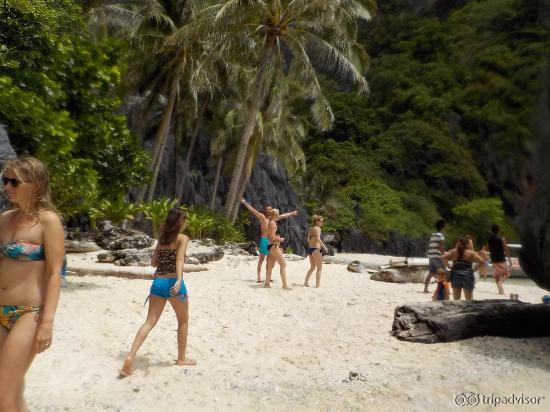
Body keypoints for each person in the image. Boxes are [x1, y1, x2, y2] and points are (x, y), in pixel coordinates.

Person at [0, 157, 65, 411]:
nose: (7, 186)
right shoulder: (4, 219)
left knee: (3, 392)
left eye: (14, 181)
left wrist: (47, 323)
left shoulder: (48, 222)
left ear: (35, 184)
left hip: (29, 314)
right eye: (5, 180)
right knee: (11, 394)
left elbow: (54, 274)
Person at [120, 208, 195, 377]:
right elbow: (179, 258)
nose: (186, 222)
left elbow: (154, 262)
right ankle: (181, 358)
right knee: (183, 321)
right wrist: (178, 279)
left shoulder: (162, 239)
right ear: (180, 222)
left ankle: (131, 355)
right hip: (173, 283)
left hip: (158, 283)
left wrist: (167, 258)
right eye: (185, 219)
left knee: (149, 322)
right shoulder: (183, 238)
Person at [239, 198, 297, 283]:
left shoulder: (273, 219)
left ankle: (268, 278)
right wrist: (244, 202)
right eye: (267, 209)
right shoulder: (262, 217)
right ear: (265, 210)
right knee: (261, 259)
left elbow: (283, 215)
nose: (269, 211)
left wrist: (292, 213)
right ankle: (259, 277)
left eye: (270, 209)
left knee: (269, 260)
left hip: (271, 241)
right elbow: (252, 210)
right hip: (264, 239)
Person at [440, 236, 485, 301]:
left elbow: (442, 257)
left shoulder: (453, 251)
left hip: (455, 276)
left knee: (456, 300)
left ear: (458, 243)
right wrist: (474, 269)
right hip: (468, 276)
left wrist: (448, 266)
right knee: (469, 300)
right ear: (467, 244)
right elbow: (482, 261)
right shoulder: (471, 253)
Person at [264, 209, 293, 289]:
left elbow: (283, 216)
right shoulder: (273, 224)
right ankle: (284, 285)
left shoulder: (271, 222)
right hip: (274, 246)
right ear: (275, 215)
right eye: (278, 214)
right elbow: (272, 236)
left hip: (271, 246)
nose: (279, 215)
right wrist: (280, 239)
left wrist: (291, 213)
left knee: (270, 266)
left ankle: (267, 284)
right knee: (283, 264)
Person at [304, 215, 328, 288]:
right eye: (321, 221)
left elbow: (308, 239)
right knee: (319, 268)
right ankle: (317, 285)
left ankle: (306, 283)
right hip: (316, 249)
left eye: (322, 221)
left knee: (312, 268)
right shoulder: (318, 229)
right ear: (316, 221)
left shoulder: (311, 229)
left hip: (311, 249)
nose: (322, 222)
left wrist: (312, 244)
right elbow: (318, 239)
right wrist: (325, 247)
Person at [487, 224, 512, 295]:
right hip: (501, 259)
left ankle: (500, 291)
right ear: (499, 230)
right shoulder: (502, 239)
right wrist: (510, 261)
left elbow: (489, 249)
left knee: (497, 276)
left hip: (494, 260)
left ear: (491, 231)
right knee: (506, 274)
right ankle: (501, 284)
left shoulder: (489, 240)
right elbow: (506, 250)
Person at [423, 219, 446, 293]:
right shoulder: (440, 236)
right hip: (437, 256)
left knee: (431, 273)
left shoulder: (433, 235)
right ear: (443, 227)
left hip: (431, 256)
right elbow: (441, 247)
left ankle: (425, 289)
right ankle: (442, 290)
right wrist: (444, 255)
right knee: (442, 273)